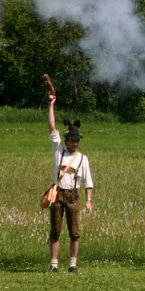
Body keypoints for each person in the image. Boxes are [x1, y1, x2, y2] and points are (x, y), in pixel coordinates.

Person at [46, 94, 94, 273]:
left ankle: (73, 265)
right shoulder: (58, 150)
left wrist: (89, 200)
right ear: (66, 141)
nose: (75, 143)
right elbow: (52, 127)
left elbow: (88, 182)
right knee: (55, 231)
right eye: (72, 140)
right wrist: (51, 104)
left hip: (73, 195)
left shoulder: (83, 159)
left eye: (77, 140)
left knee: (74, 232)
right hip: (57, 194)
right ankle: (54, 265)